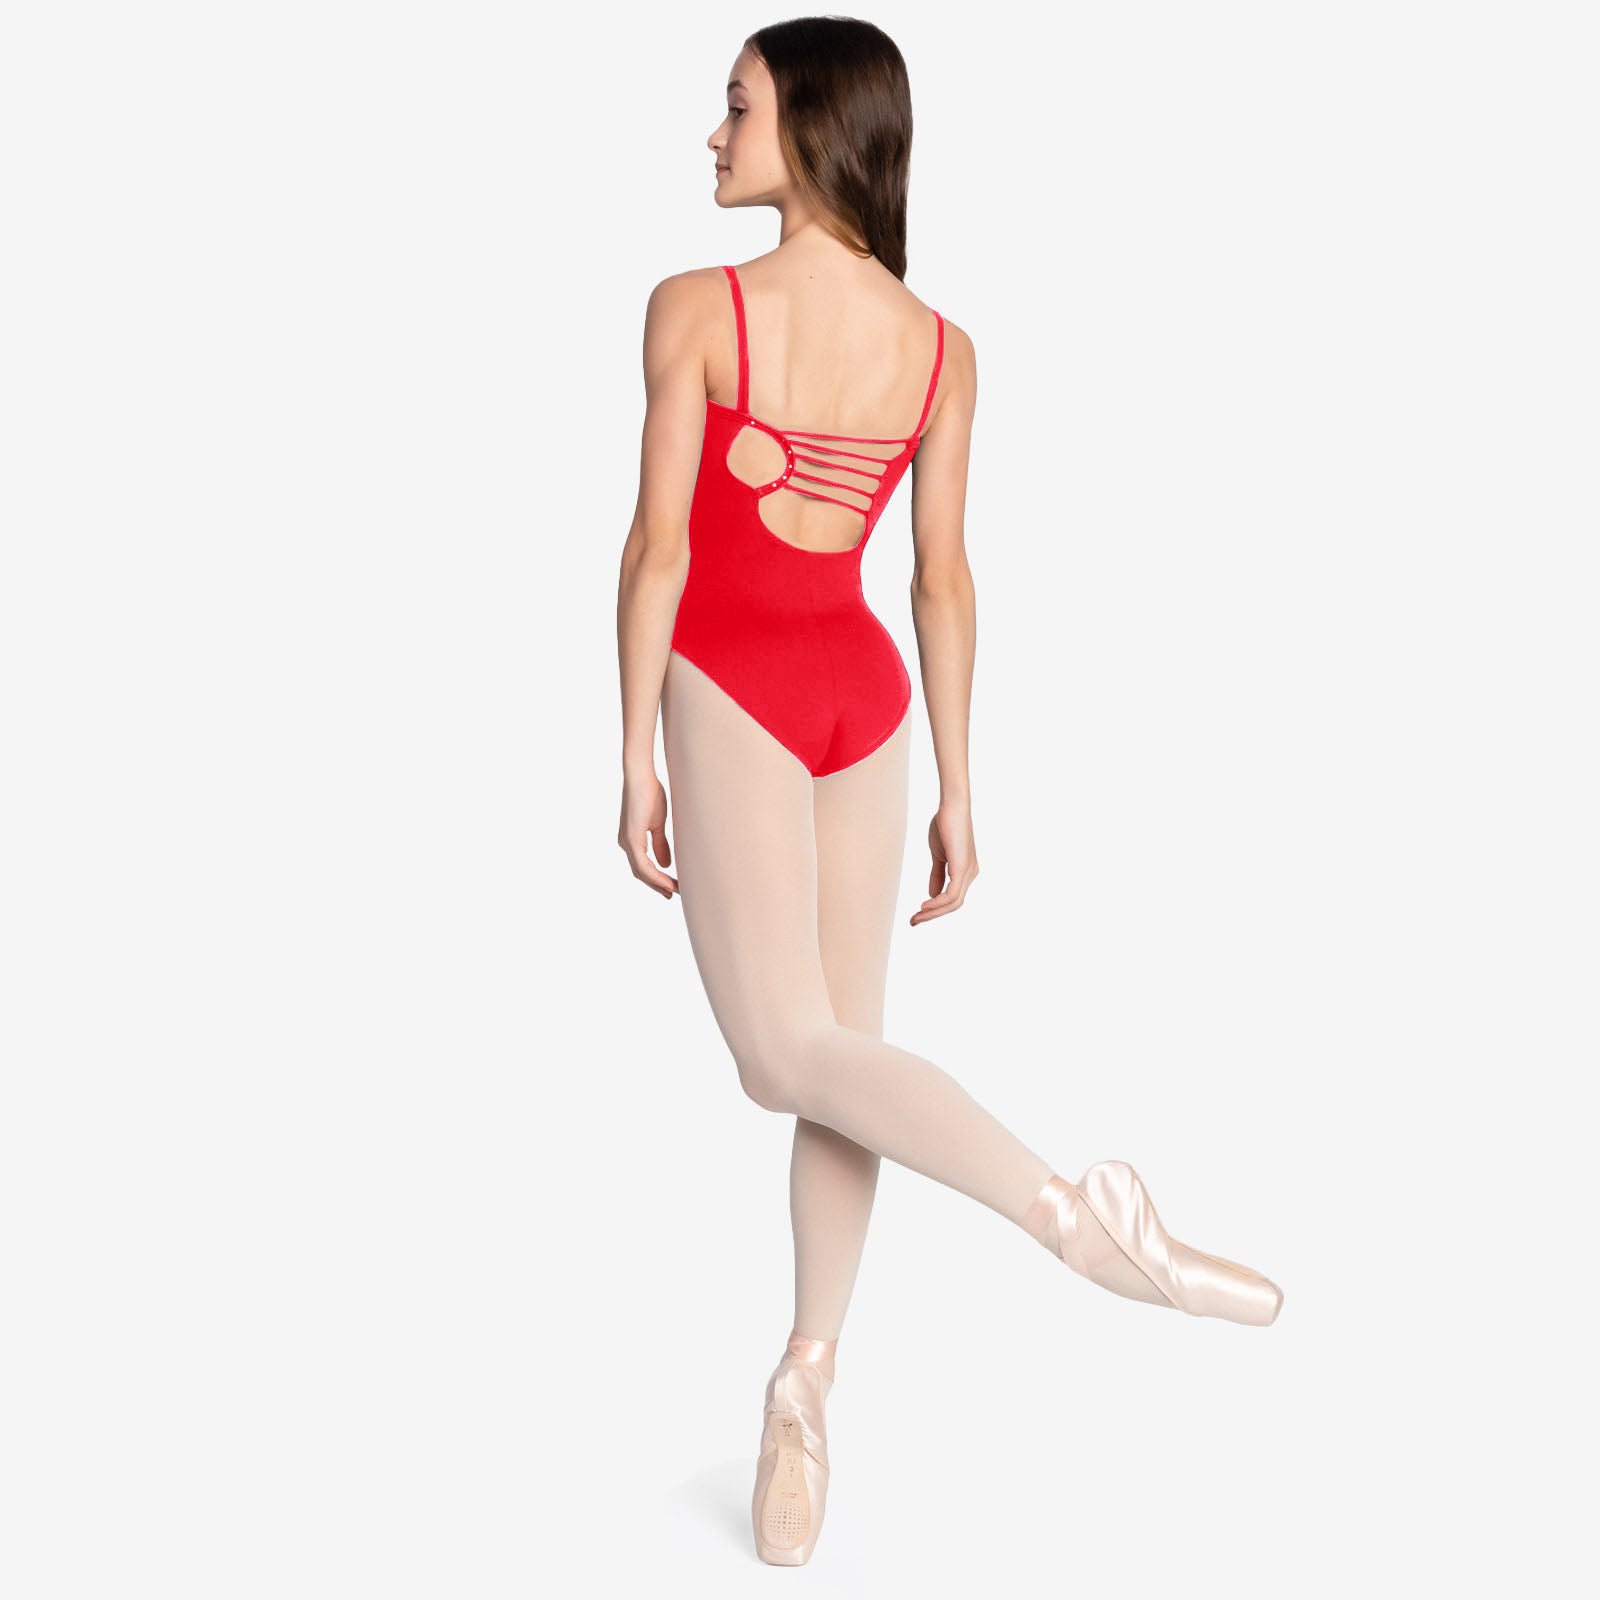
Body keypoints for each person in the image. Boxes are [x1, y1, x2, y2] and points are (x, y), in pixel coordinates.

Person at [615, 18, 1283, 1567]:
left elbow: (658, 548)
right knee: (839, 1058)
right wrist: (960, 782)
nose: (713, 133)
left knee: (786, 1056)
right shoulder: (941, 346)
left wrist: (631, 744)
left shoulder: (697, 308)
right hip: (866, 701)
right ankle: (806, 1383)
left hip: (740, 682)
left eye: (736, 106)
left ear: (814, 127)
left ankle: (1070, 1220)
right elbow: (942, 579)